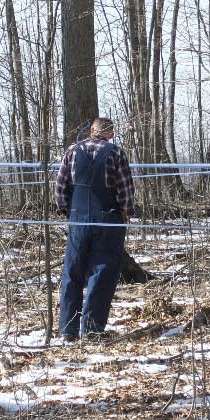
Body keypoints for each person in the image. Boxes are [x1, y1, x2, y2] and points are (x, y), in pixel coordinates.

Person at [55, 117, 135, 341]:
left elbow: (60, 189)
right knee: (102, 273)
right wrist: (126, 212)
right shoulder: (116, 154)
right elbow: (125, 191)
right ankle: (91, 330)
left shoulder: (72, 151)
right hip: (108, 221)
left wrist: (67, 211)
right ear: (110, 134)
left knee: (72, 272)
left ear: (92, 130)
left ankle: (68, 330)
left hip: (78, 220)